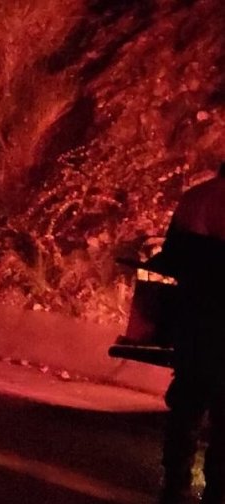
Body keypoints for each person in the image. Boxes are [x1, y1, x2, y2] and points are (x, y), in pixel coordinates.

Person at [155, 161, 225, 504]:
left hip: (195, 319)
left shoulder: (196, 198)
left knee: (187, 406)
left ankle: (176, 484)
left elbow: (170, 258)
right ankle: (217, 491)